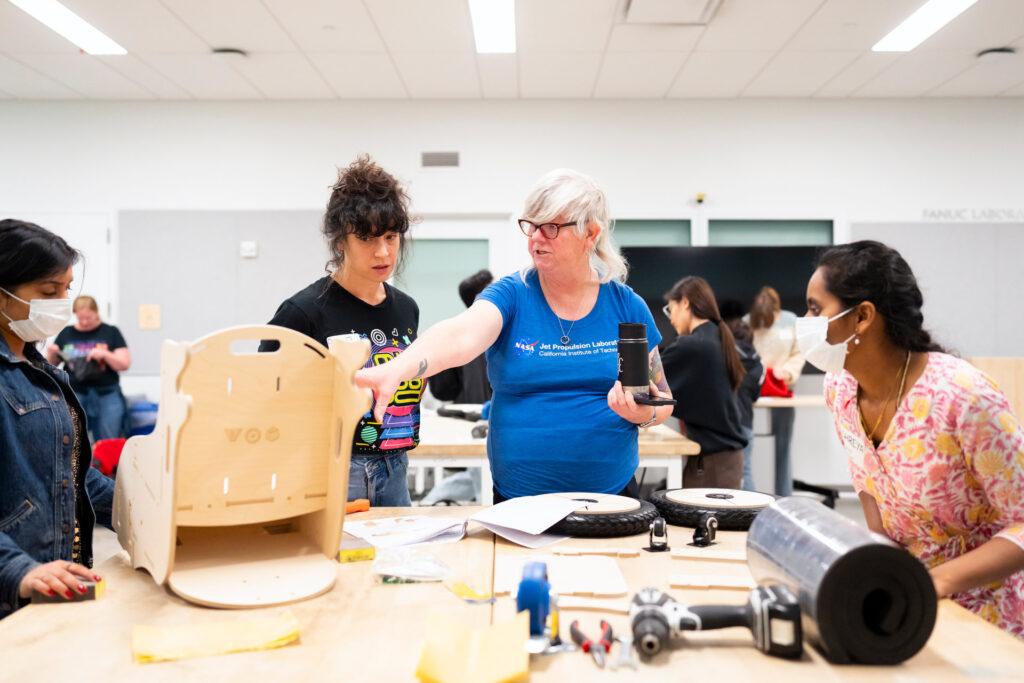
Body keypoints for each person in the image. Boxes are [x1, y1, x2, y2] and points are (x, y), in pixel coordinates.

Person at [356, 168, 674, 501]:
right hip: (520, 502)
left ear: (590, 234)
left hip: (611, 499)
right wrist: (398, 368)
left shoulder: (626, 307)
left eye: (551, 228)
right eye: (531, 226)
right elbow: (460, 335)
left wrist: (644, 414)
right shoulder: (511, 295)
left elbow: (661, 397)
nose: (535, 238)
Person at [805, 240, 1024, 639]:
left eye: (816, 308)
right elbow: (869, 486)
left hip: (990, 622)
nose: (805, 321)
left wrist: (936, 582)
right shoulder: (839, 388)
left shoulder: (964, 397)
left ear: (863, 317)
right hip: (906, 608)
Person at [265, 155, 422, 506]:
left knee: (395, 561)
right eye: (367, 238)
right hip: (333, 468)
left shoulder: (406, 308)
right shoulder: (303, 311)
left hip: (396, 466)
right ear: (340, 241)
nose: (383, 251)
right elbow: (267, 396)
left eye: (391, 236)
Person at [0, 219, 113, 619]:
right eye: (49, 292)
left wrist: (144, 509)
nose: (63, 302)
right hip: (15, 586)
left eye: (66, 289)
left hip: (51, 580)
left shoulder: (40, 371)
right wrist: (19, 570)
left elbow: (72, 472)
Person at [661, 277, 748, 489]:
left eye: (670, 309)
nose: (671, 319)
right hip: (726, 461)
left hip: (712, 465)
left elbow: (645, 378)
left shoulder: (692, 346)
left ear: (685, 303)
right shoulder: (717, 336)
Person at [46, 295, 131, 441]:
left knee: (108, 440)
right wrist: (51, 353)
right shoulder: (67, 333)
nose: (84, 322)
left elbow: (124, 364)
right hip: (75, 394)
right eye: (80, 318)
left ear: (96, 312)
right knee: (74, 441)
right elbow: (51, 366)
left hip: (107, 395)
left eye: (88, 318)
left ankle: (105, 465)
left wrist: (105, 355)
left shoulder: (111, 332)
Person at [747, 286, 804, 496]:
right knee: (750, 449)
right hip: (753, 394)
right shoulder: (747, 321)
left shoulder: (790, 322)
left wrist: (786, 372)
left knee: (782, 447)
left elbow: (799, 353)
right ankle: (754, 497)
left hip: (782, 393)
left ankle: (784, 498)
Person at [428, 269, 494, 404]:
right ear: (479, 298)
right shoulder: (468, 336)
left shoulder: (497, 332)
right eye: (495, 291)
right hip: (474, 417)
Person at [728, 317, 765, 491]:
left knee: (726, 473)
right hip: (746, 424)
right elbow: (756, 394)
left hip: (726, 423)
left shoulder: (726, 356)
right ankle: (752, 515)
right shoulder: (759, 363)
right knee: (746, 471)